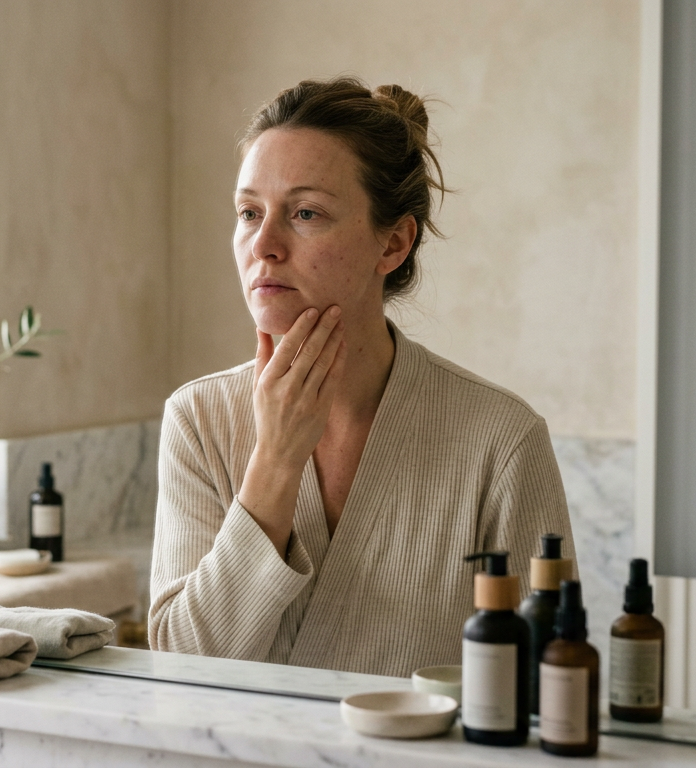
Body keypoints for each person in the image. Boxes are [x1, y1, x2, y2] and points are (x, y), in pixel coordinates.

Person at [149, 77, 577, 677]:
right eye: (249, 212)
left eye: (305, 213)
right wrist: (274, 461)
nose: (263, 245)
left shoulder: (500, 440)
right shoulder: (198, 420)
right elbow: (180, 671)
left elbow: (546, 685)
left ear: (394, 243)